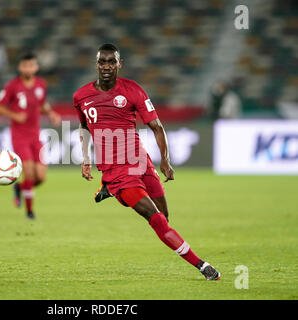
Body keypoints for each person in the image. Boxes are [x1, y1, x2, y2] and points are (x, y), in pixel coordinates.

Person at [73, 44, 220, 280]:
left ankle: (109, 189)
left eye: (112, 62)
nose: (107, 66)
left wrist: (166, 161)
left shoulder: (133, 90)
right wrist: (86, 158)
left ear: (120, 64)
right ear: (96, 64)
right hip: (117, 173)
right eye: (102, 62)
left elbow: (156, 126)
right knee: (158, 221)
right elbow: (83, 126)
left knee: (165, 216)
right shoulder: (81, 96)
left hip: (140, 161)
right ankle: (202, 266)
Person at [0, 53, 61, 219]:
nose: (28, 68)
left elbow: (42, 104)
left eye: (31, 65)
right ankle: (30, 212)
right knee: (29, 173)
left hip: (35, 136)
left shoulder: (40, 84)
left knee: (41, 177)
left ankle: (19, 188)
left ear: (36, 67)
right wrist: (14, 116)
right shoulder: (13, 86)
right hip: (20, 136)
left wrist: (51, 113)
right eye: (25, 65)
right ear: (20, 67)